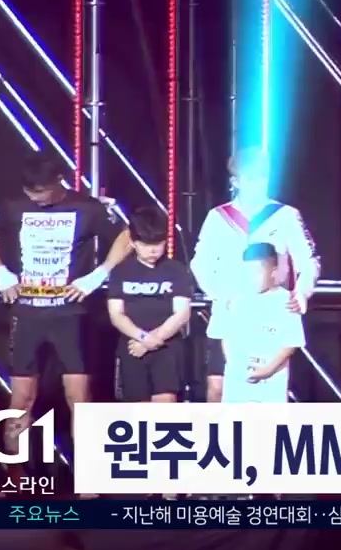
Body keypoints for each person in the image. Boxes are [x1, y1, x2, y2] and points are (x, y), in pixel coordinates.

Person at [0, 154, 131, 458]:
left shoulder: (86, 207)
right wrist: (0, 270)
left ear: (58, 182)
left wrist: (99, 274)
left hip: (70, 314)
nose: (34, 198)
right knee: (21, 398)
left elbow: (128, 237)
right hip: (27, 313)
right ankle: (15, 471)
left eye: (40, 192)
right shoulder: (14, 206)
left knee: (79, 398)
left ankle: (87, 471)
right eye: (29, 192)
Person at [190, 149, 319, 403]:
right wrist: (218, 294)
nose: (257, 184)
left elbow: (309, 260)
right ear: (235, 181)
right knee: (217, 387)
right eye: (250, 178)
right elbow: (199, 263)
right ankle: (220, 430)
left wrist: (302, 293)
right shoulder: (218, 218)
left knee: (267, 385)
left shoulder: (286, 215)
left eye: (262, 177)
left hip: (271, 313)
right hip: (230, 312)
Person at [107, 208, 194, 403]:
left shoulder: (176, 270)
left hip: (167, 347)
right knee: (138, 407)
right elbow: (116, 314)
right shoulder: (121, 272)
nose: (153, 250)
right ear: (133, 242)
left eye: (158, 244)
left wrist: (154, 339)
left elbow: (182, 313)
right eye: (146, 245)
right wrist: (143, 338)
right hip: (133, 346)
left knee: (165, 404)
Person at [208, 242, 305, 404]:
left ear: (273, 271)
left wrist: (268, 370)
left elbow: (291, 343)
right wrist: (235, 365)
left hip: (272, 381)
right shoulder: (236, 300)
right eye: (247, 272)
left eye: (257, 272)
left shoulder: (286, 301)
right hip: (238, 379)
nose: (251, 278)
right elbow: (226, 336)